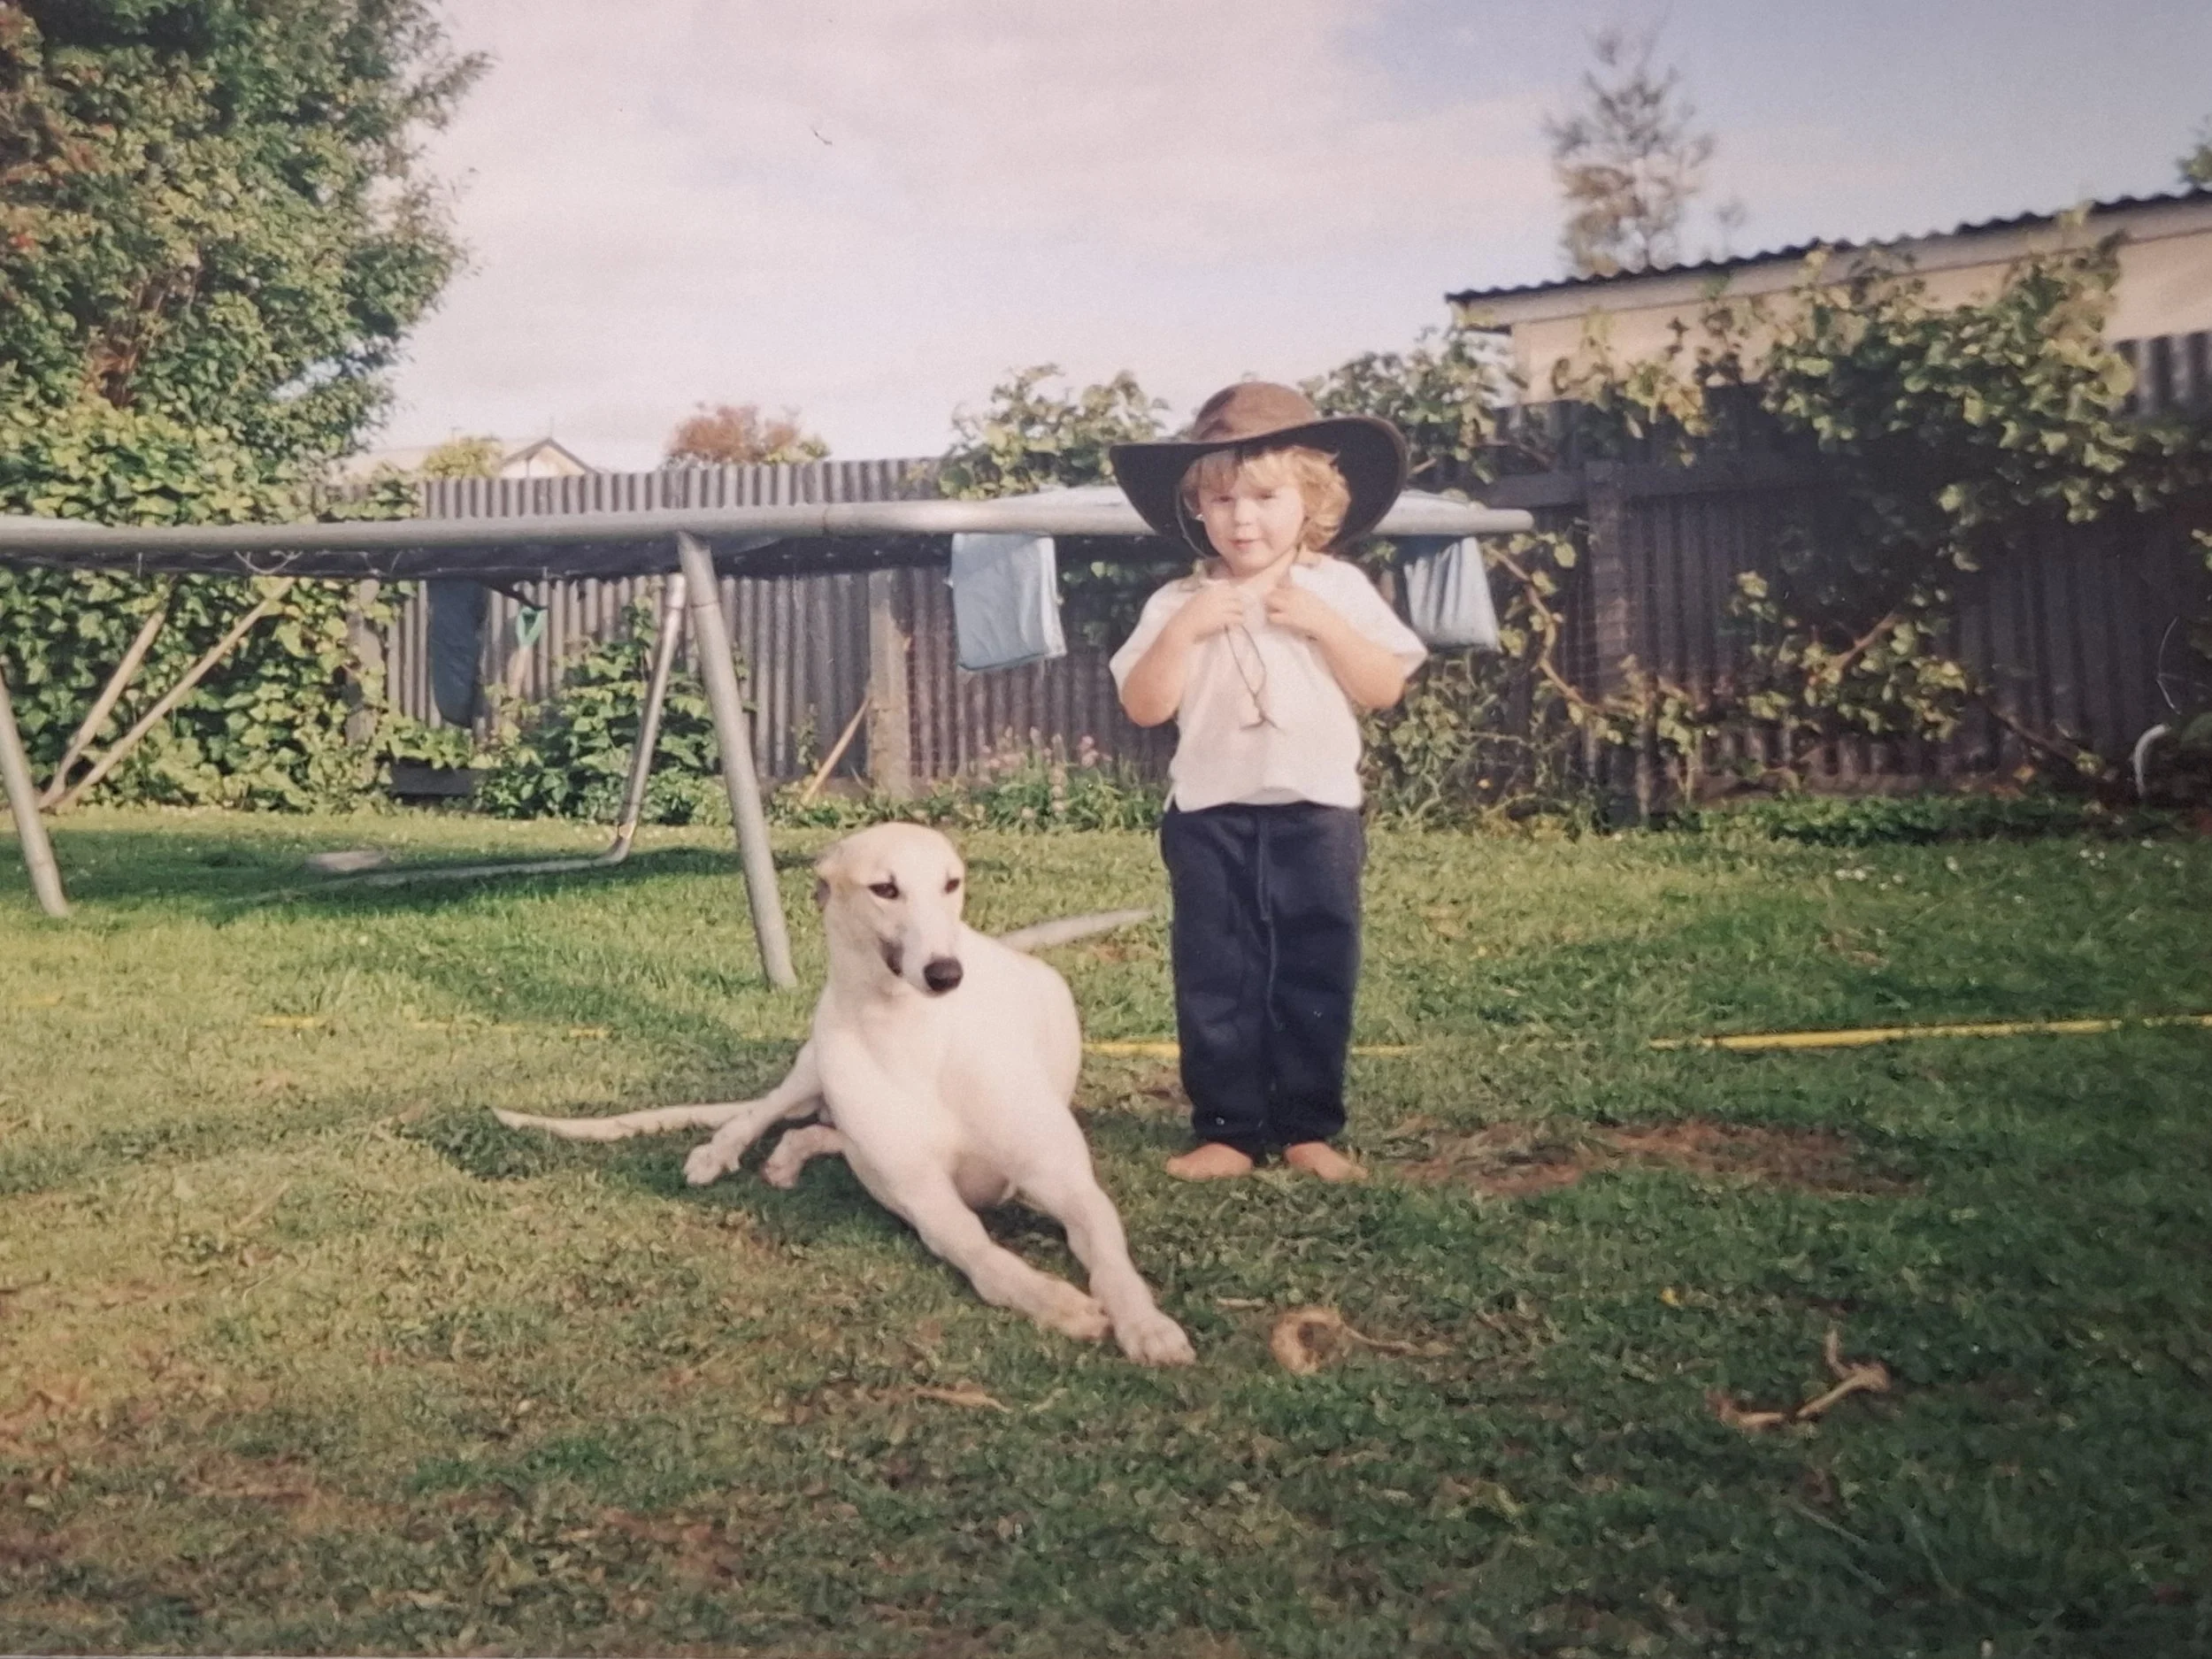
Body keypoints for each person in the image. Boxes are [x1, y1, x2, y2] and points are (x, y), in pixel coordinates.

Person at [1107, 382, 1425, 1182]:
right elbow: (1144, 705)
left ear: (1312, 500)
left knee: (1316, 962)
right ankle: (1229, 1127)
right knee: (1218, 970)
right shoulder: (1178, 599)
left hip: (1317, 814)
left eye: (1265, 496)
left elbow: (1384, 684)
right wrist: (1182, 633)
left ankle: (1308, 1125)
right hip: (1211, 814)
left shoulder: (1338, 589)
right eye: (1221, 500)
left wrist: (1326, 627)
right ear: (1196, 510)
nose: (1242, 518)